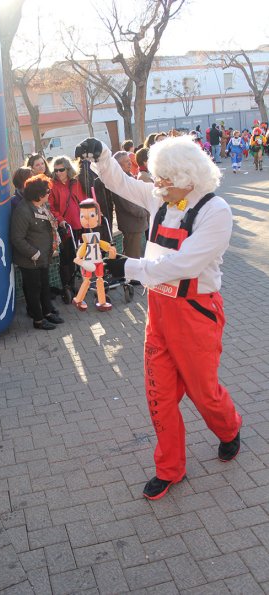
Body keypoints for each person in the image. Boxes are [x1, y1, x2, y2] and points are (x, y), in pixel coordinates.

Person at [77, 135, 242, 501]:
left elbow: (185, 264)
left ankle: (229, 428)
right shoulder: (161, 197)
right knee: (159, 396)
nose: (158, 186)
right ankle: (170, 468)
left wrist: (129, 266)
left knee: (204, 393)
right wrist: (102, 155)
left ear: (189, 179)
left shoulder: (216, 212)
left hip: (196, 314)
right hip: (160, 314)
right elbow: (123, 183)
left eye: (165, 180)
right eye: (158, 178)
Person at [10, 174, 63, 330]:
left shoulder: (42, 206)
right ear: (39, 194)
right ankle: (38, 320)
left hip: (43, 257)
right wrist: (35, 253)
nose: (49, 193)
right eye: (47, 191)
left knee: (44, 287)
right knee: (34, 290)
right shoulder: (23, 211)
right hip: (31, 260)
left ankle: (47, 313)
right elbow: (17, 238)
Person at [48, 156, 86, 303]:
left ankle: (80, 284)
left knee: (81, 256)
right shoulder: (52, 185)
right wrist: (60, 220)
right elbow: (51, 207)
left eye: (61, 170)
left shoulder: (75, 183)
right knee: (67, 258)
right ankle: (67, 286)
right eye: (56, 170)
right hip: (66, 227)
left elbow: (82, 200)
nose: (58, 173)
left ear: (68, 169)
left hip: (80, 224)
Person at [112, 151, 149, 258]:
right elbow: (129, 205)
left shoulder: (127, 177)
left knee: (137, 255)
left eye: (129, 161)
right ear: (118, 165)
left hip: (136, 223)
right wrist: (145, 211)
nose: (129, 163)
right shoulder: (120, 181)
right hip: (132, 224)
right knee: (134, 257)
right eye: (126, 162)